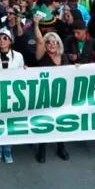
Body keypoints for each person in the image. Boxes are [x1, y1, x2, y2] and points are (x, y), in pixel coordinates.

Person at [33, 17, 70, 162]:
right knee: (45, 122)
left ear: (59, 44)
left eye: (55, 42)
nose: (52, 44)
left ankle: (61, 147)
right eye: (49, 42)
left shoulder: (65, 58)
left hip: (61, 96)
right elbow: (39, 40)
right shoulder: (41, 56)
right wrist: (36, 24)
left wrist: (78, 68)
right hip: (46, 96)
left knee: (60, 122)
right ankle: (42, 149)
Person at [0, 28, 24, 164]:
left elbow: (22, 76)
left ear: (10, 41)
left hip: (13, 95)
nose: (2, 41)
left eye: (5, 38)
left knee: (10, 123)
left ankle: (7, 149)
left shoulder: (18, 56)